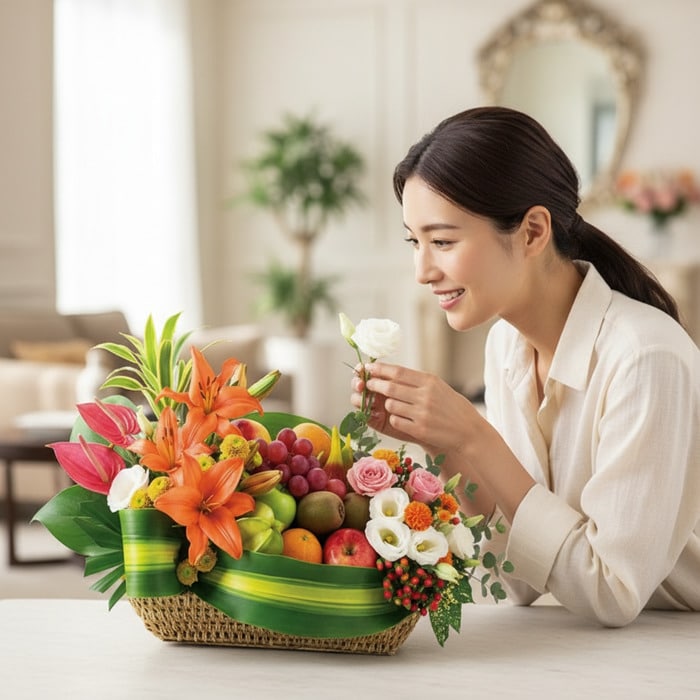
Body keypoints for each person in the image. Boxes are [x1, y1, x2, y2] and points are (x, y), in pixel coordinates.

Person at [350, 106, 700, 627]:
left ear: (533, 231)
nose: (422, 271)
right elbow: (517, 578)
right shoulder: (506, 346)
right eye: (414, 242)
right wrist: (443, 442)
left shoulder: (645, 357)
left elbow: (612, 591)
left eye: (442, 241)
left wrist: (474, 435)